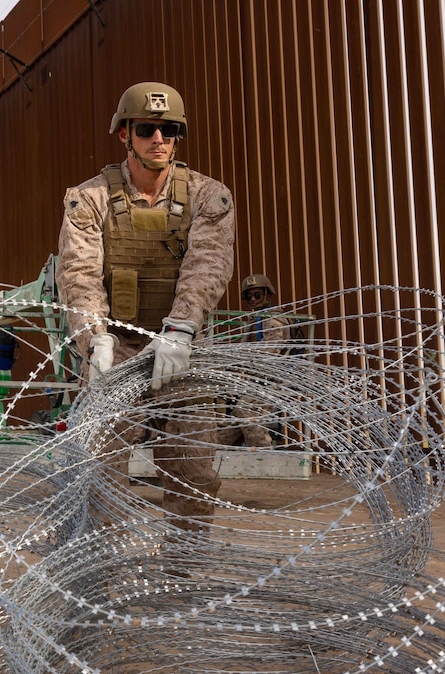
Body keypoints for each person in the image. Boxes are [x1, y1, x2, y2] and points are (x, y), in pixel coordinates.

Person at [56, 81, 235, 531]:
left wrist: (182, 329)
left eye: (170, 130)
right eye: (147, 129)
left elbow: (207, 265)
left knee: (193, 476)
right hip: (116, 349)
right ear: (125, 135)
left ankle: (183, 581)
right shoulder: (89, 199)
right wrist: (93, 336)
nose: (160, 139)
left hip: (182, 350)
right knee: (101, 473)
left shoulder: (207, 196)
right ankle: (100, 582)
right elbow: (79, 273)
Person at [217, 274, 289, 448]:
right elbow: (240, 348)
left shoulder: (274, 319)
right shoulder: (254, 320)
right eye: (249, 296)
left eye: (257, 295)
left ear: (267, 295)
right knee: (225, 432)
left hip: (276, 380)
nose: (253, 300)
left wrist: (243, 363)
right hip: (258, 381)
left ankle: (262, 454)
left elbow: (270, 351)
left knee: (245, 410)